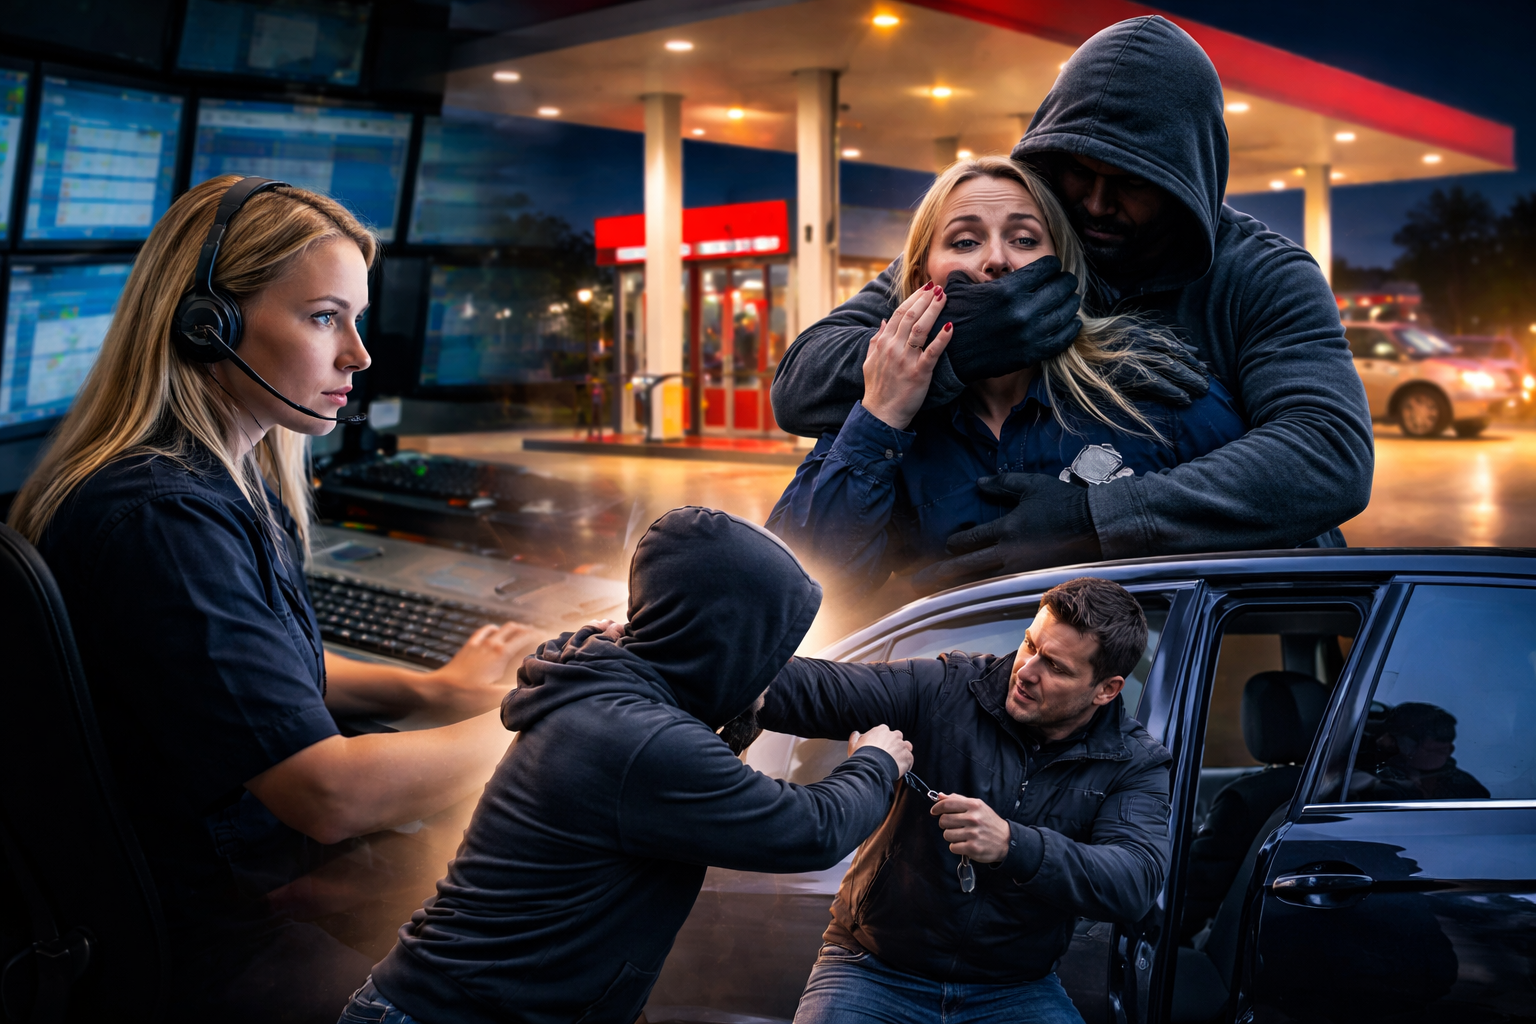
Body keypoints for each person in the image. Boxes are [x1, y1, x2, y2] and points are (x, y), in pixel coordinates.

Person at [8, 175, 536, 1023]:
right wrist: (560, 722)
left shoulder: (217, 481)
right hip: (213, 952)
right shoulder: (161, 518)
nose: (358, 354)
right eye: (326, 316)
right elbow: (330, 795)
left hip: (222, 898)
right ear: (205, 325)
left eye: (354, 320)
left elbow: (244, 674)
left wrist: (426, 690)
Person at [769, 15, 1371, 585]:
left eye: (1133, 182)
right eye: (1079, 173)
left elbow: (1327, 452)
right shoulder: (987, 258)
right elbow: (802, 382)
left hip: (1233, 612)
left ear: (1188, 179)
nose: (1097, 204)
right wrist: (956, 347)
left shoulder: (1263, 276)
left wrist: (1099, 520)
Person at [343, 507, 915, 1024]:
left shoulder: (605, 688)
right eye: (767, 645)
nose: (775, 667)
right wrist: (874, 762)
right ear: (723, 637)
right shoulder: (644, 741)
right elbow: (809, 832)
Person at [767, 155, 1246, 596]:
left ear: (1064, 269)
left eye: (1024, 239)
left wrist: (1107, 526)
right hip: (948, 683)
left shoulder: (1145, 386)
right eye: (965, 241)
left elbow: (1262, 530)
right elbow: (798, 589)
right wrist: (881, 417)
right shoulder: (885, 412)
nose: (996, 259)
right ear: (920, 281)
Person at [760, 576, 1171, 1024]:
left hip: (1016, 991)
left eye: (1055, 666)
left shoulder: (1134, 762)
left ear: (1106, 690)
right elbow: (820, 689)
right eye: (1030, 645)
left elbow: (1134, 880)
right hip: (874, 970)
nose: (1027, 671)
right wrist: (720, 671)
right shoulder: (947, 686)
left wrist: (1013, 845)